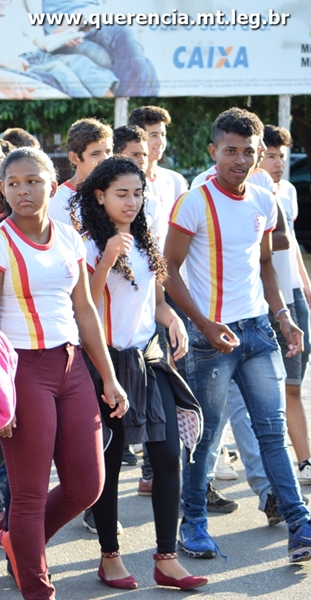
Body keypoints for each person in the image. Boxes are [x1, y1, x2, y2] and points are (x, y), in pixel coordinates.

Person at [0, 147, 127, 598]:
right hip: (22, 370)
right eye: (14, 182)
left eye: (33, 181)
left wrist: (109, 377)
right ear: (2, 187)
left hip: (72, 365)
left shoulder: (67, 236)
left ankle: (19, 544)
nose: (23, 190)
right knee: (29, 494)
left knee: (86, 485)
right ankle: (37, 586)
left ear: (52, 183)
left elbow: (85, 310)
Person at [165, 108, 311, 563]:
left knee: (271, 432)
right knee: (205, 438)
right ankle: (193, 526)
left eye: (250, 151)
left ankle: (300, 525)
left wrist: (283, 315)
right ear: (213, 152)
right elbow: (168, 270)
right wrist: (202, 324)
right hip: (211, 339)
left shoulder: (264, 200)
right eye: (231, 151)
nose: (241, 160)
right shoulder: (194, 201)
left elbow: (266, 265)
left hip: (258, 333)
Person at [70, 156, 208, 590]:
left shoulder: (147, 238)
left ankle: (166, 558)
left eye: (137, 193)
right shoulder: (88, 243)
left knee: (168, 457)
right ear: (99, 196)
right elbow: (84, 308)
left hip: (149, 359)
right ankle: (109, 557)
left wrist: (172, 319)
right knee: (108, 464)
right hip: (105, 363)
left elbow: (155, 300)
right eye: (121, 194)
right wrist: (107, 258)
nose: (132, 202)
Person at [259, 124, 311, 486]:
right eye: (271, 155)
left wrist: (305, 286)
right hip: (262, 301)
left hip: (293, 296)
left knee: (293, 385)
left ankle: (305, 462)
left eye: (281, 156)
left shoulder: (288, 190)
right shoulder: (254, 193)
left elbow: (290, 246)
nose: (278, 163)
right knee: (256, 389)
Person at [127, 106, 188, 226]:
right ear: (138, 137)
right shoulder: (123, 183)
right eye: (154, 135)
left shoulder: (175, 181)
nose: (161, 142)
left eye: (163, 135)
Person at [48, 118, 113, 229]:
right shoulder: (57, 200)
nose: (105, 159)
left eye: (108, 151)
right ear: (74, 158)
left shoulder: (118, 193)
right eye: (95, 154)